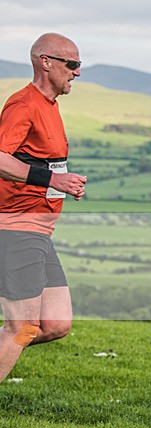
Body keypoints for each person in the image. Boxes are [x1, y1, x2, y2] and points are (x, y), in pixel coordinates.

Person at [0, 33, 87, 384]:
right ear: (45, 62)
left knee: (54, 324)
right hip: (15, 230)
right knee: (21, 327)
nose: (77, 72)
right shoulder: (23, 104)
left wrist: (62, 181)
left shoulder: (51, 105)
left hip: (39, 233)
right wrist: (50, 180)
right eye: (72, 64)